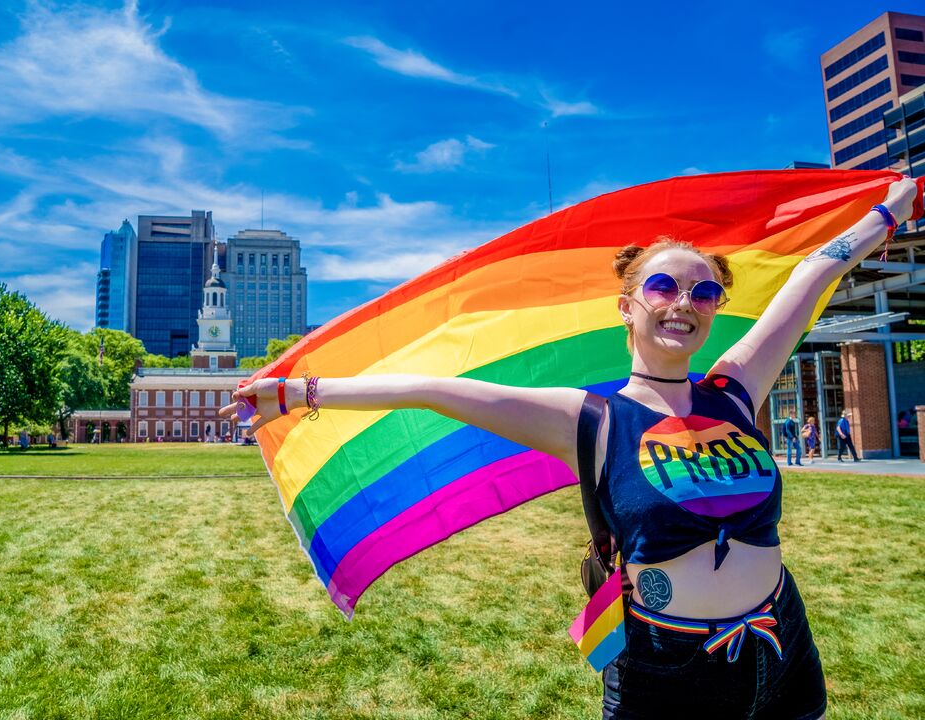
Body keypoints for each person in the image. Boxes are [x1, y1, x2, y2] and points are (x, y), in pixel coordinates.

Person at [224, 177, 918, 718]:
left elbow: (810, 280)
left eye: (704, 291)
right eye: (663, 286)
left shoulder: (734, 390)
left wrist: (884, 214)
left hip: (778, 638)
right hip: (663, 665)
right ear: (626, 305)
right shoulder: (591, 418)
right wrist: (296, 393)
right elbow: (432, 390)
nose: (685, 301)